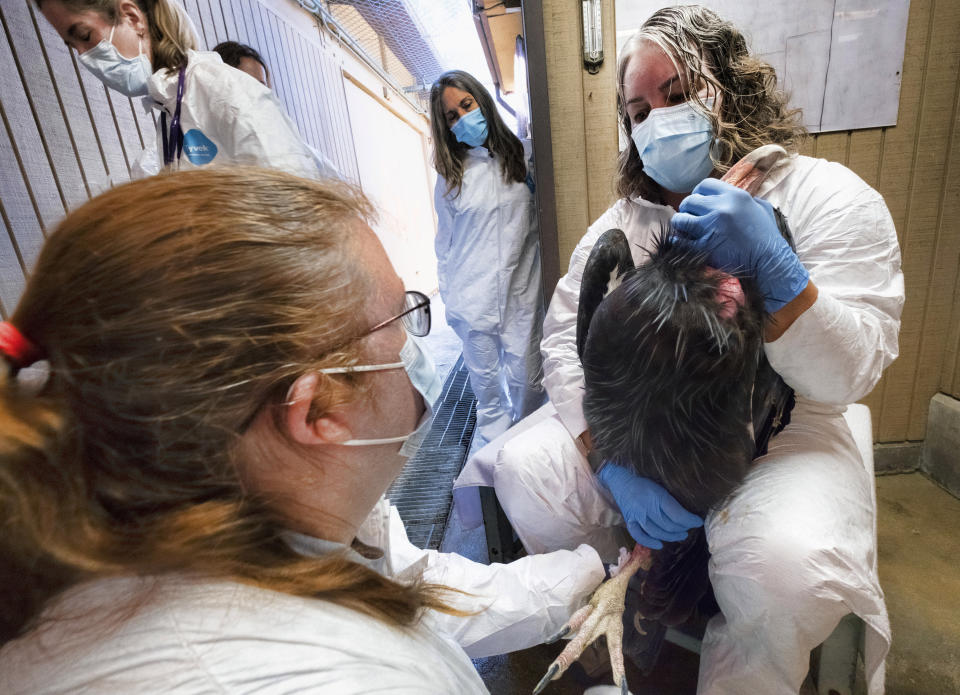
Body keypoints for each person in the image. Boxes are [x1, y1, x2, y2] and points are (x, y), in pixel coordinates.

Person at [0, 168, 607, 692]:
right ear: (318, 412)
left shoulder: (248, 513)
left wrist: (591, 572)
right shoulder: (328, 679)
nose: (415, 348)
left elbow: (409, 588)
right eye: (401, 322)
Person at [476, 6, 903, 694]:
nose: (656, 120)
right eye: (638, 110)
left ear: (728, 86)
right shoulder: (627, 223)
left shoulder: (828, 197)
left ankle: (746, 670)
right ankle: (625, 611)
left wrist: (781, 276)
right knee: (530, 469)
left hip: (786, 430)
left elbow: (850, 371)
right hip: (647, 430)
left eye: (675, 94)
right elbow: (565, 339)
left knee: (782, 563)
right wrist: (610, 458)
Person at [38, 0, 318, 178]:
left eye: (85, 36)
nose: (84, 55)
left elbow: (295, 204)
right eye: (73, 45)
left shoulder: (219, 88)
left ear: (133, 18)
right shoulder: (170, 108)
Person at [429, 70, 546, 447]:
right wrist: (449, 299)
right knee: (488, 395)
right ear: (445, 127)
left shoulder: (523, 157)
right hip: (471, 298)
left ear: (482, 100)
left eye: (467, 105)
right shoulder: (450, 178)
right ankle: (497, 460)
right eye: (452, 116)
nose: (464, 118)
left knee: (529, 381)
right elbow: (444, 244)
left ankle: (525, 453)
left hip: (521, 294)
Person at [212, 39, 342, 181]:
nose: (257, 92)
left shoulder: (296, 149)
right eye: (248, 83)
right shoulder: (203, 143)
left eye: (261, 86)